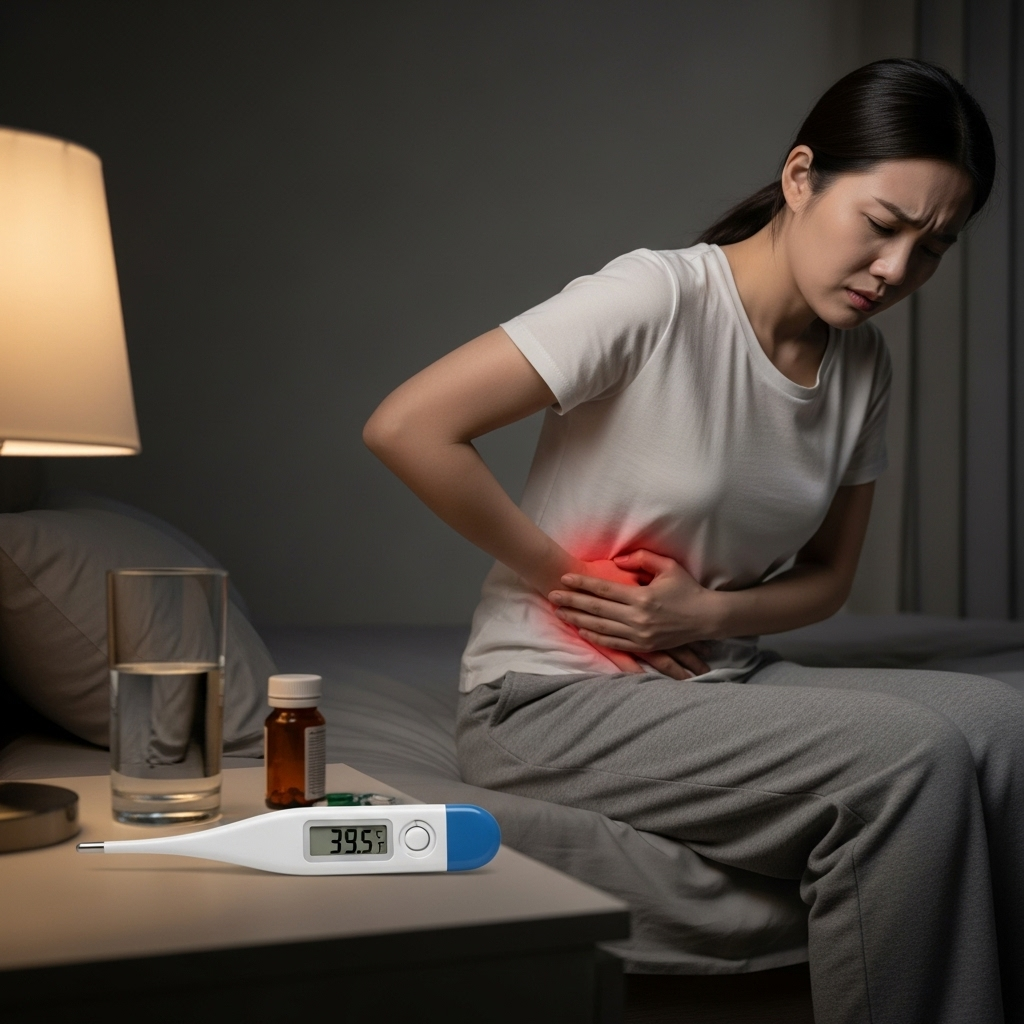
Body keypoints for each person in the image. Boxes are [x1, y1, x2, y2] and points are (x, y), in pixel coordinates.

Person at [364, 59, 1022, 1024]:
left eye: (934, 249)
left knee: (1006, 728)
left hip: (717, 676)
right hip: (549, 698)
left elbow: (830, 579)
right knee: (907, 756)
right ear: (802, 178)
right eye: (882, 226)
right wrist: (571, 580)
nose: (897, 272)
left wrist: (705, 612)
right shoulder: (657, 297)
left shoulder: (862, 361)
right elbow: (408, 425)